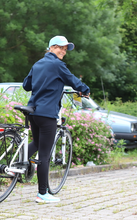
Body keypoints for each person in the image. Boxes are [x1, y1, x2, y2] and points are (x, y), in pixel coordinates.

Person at [22, 35, 90, 203]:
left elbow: (26, 85)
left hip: (34, 112)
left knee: (37, 144)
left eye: (65, 49)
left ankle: (17, 165)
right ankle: (42, 194)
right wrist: (85, 90)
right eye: (60, 47)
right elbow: (73, 80)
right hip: (47, 114)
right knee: (44, 155)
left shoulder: (38, 64)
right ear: (51, 48)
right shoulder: (58, 65)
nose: (63, 51)